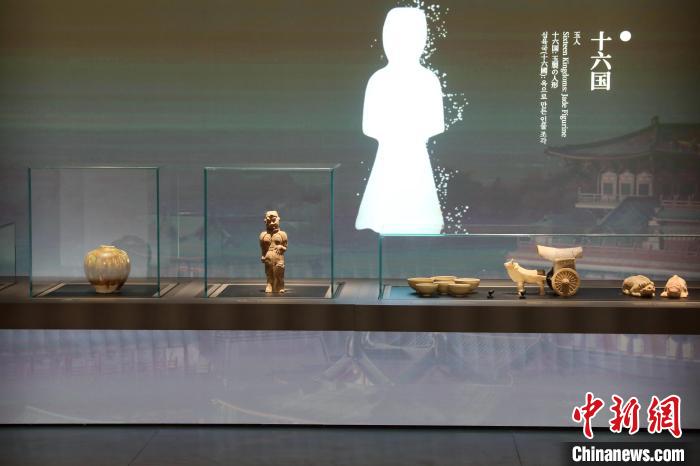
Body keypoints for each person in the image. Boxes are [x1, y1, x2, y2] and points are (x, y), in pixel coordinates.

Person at [355, 7, 445, 234]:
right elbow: (369, 126)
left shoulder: (428, 79)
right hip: (391, 155)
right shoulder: (379, 79)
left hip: (411, 156)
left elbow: (436, 124)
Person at [260, 210, 287, 293]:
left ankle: (280, 286)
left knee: (279, 273)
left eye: (274, 220)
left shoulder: (282, 234)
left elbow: (285, 247)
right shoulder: (263, 235)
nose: (271, 223)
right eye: (269, 221)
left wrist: (281, 247)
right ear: (265, 221)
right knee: (269, 273)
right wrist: (263, 255)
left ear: (278, 219)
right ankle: (269, 285)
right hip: (268, 257)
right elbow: (263, 247)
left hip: (279, 257)